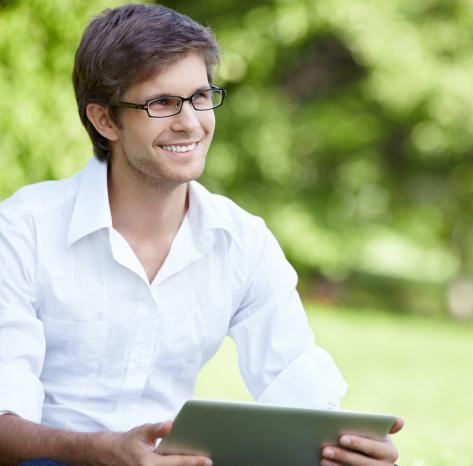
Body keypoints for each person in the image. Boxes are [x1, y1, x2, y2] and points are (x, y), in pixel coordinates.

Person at [0, 4, 403, 465]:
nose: (191, 122)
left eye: (200, 96)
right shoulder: (22, 230)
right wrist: (100, 452)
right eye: (162, 103)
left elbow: (296, 379)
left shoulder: (242, 242)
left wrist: (346, 445)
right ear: (105, 120)